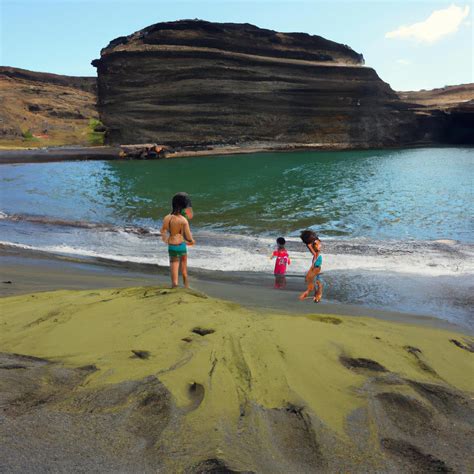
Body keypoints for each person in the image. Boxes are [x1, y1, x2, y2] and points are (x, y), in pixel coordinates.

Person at [160, 192, 195, 288]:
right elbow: (188, 237)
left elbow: (163, 231)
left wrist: (166, 240)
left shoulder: (167, 217)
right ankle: (186, 286)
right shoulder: (183, 220)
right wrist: (192, 241)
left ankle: (174, 284)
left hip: (171, 245)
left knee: (173, 264)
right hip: (181, 245)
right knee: (184, 269)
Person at [299, 230, 323, 303]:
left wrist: (313, 265)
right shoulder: (314, 242)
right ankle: (317, 295)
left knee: (314, 277)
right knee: (316, 278)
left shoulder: (313, 242)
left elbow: (315, 254)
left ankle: (317, 295)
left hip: (317, 259)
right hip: (318, 259)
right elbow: (316, 253)